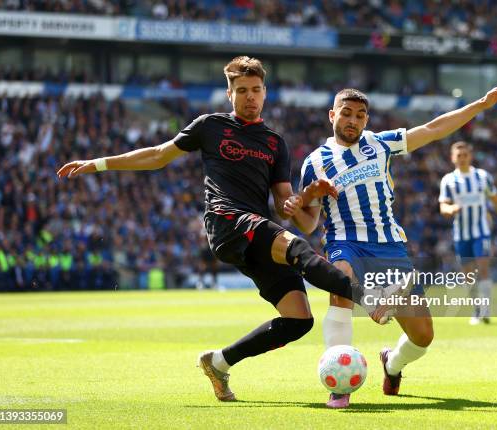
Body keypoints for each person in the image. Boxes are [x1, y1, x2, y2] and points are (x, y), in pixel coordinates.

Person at [56, 56, 383, 402]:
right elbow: (157, 155)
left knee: (299, 320)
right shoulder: (210, 126)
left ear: (265, 92)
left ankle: (218, 362)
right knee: (298, 249)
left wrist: (299, 202)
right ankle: (370, 298)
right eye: (242, 90)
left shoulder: (275, 143)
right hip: (227, 222)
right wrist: (99, 163)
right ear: (230, 94)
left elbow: (286, 203)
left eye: (256, 90)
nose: (250, 97)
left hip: (257, 232)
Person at [284, 85, 497, 408]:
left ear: (366, 120)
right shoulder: (315, 162)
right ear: (332, 115)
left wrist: (480, 103)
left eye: (360, 115)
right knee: (340, 279)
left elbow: (433, 129)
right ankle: (340, 386)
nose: (353, 120)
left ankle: (392, 363)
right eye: (347, 114)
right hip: (345, 242)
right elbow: (309, 224)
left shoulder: (380, 144)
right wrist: (299, 209)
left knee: (423, 336)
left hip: (390, 246)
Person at [439, 141, 497, 325]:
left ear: (470, 156)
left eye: (465, 155)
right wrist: (450, 209)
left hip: (481, 232)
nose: (462, 158)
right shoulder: (448, 180)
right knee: (468, 275)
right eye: (459, 155)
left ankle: (486, 311)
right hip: (461, 234)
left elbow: (496, 200)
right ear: (452, 158)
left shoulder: (482, 176)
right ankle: (477, 310)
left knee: (484, 267)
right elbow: (443, 206)